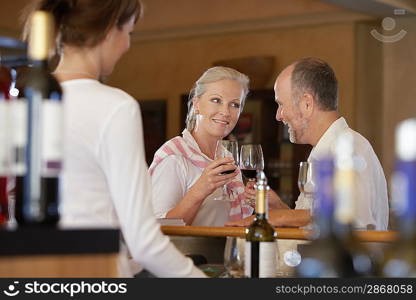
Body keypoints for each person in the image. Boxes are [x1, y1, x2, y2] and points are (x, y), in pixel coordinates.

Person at [22, 0, 205, 277]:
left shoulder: (23, 100)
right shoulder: (115, 107)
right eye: (128, 33)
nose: (127, 45)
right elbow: (144, 242)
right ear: (109, 30)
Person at [227, 57, 389, 231]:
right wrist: (277, 206)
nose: (278, 116)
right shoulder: (323, 150)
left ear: (307, 103)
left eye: (281, 104)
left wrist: (280, 216)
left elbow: (355, 221)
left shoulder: (349, 150)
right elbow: (313, 228)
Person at [149, 66, 254, 226]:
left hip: (223, 250)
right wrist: (200, 190)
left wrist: (255, 200)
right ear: (196, 104)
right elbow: (159, 229)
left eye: (234, 105)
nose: (225, 112)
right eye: (216, 100)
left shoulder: (227, 158)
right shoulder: (175, 158)